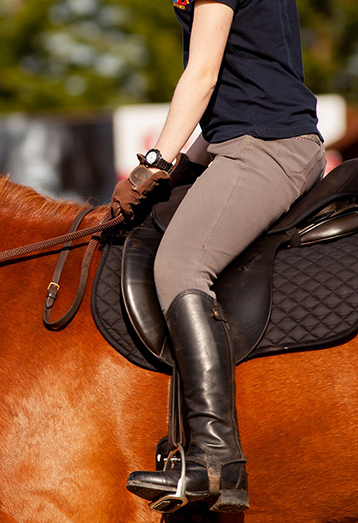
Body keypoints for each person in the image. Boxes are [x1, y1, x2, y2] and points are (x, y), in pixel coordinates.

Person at [110, 0, 326, 514]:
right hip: (233, 140)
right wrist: (186, 161)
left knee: (180, 265)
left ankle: (214, 457)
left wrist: (155, 163)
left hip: (267, 145)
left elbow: (202, 74)